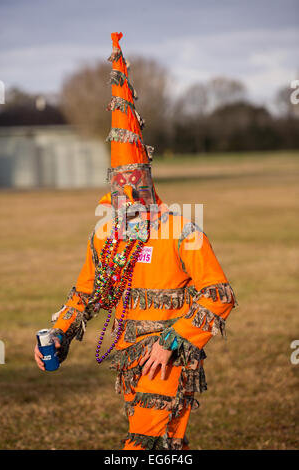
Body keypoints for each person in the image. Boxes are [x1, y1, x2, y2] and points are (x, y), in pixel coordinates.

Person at [34, 32, 237, 450]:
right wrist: (57, 334)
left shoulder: (183, 232)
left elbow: (219, 295)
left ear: (149, 193)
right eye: (120, 202)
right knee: (167, 446)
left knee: (140, 443)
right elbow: (85, 296)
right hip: (128, 358)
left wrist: (172, 341)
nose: (129, 212)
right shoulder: (105, 234)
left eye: (136, 201)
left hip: (169, 358)